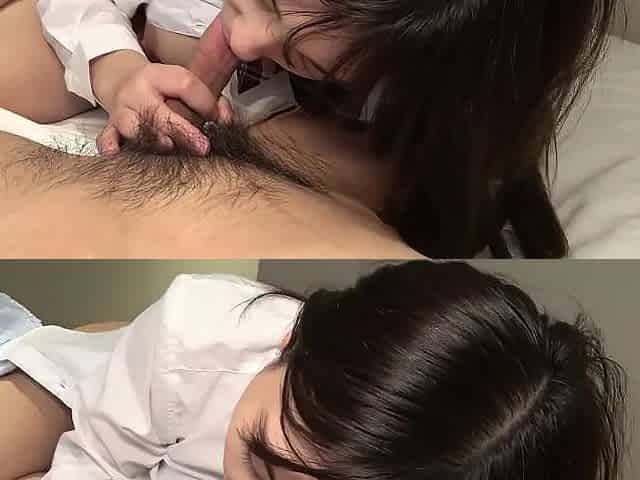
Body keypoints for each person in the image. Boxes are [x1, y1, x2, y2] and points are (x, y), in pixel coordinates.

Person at [0, 0, 620, 257]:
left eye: (304, 55)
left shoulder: (430, 90)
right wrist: (115, 68)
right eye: (262, 1)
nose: (244, 38)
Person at [0, 261, 628, 479]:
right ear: (289, 343)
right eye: (262, 468)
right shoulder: (203, 329)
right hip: (106, 394)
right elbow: (101, 457)